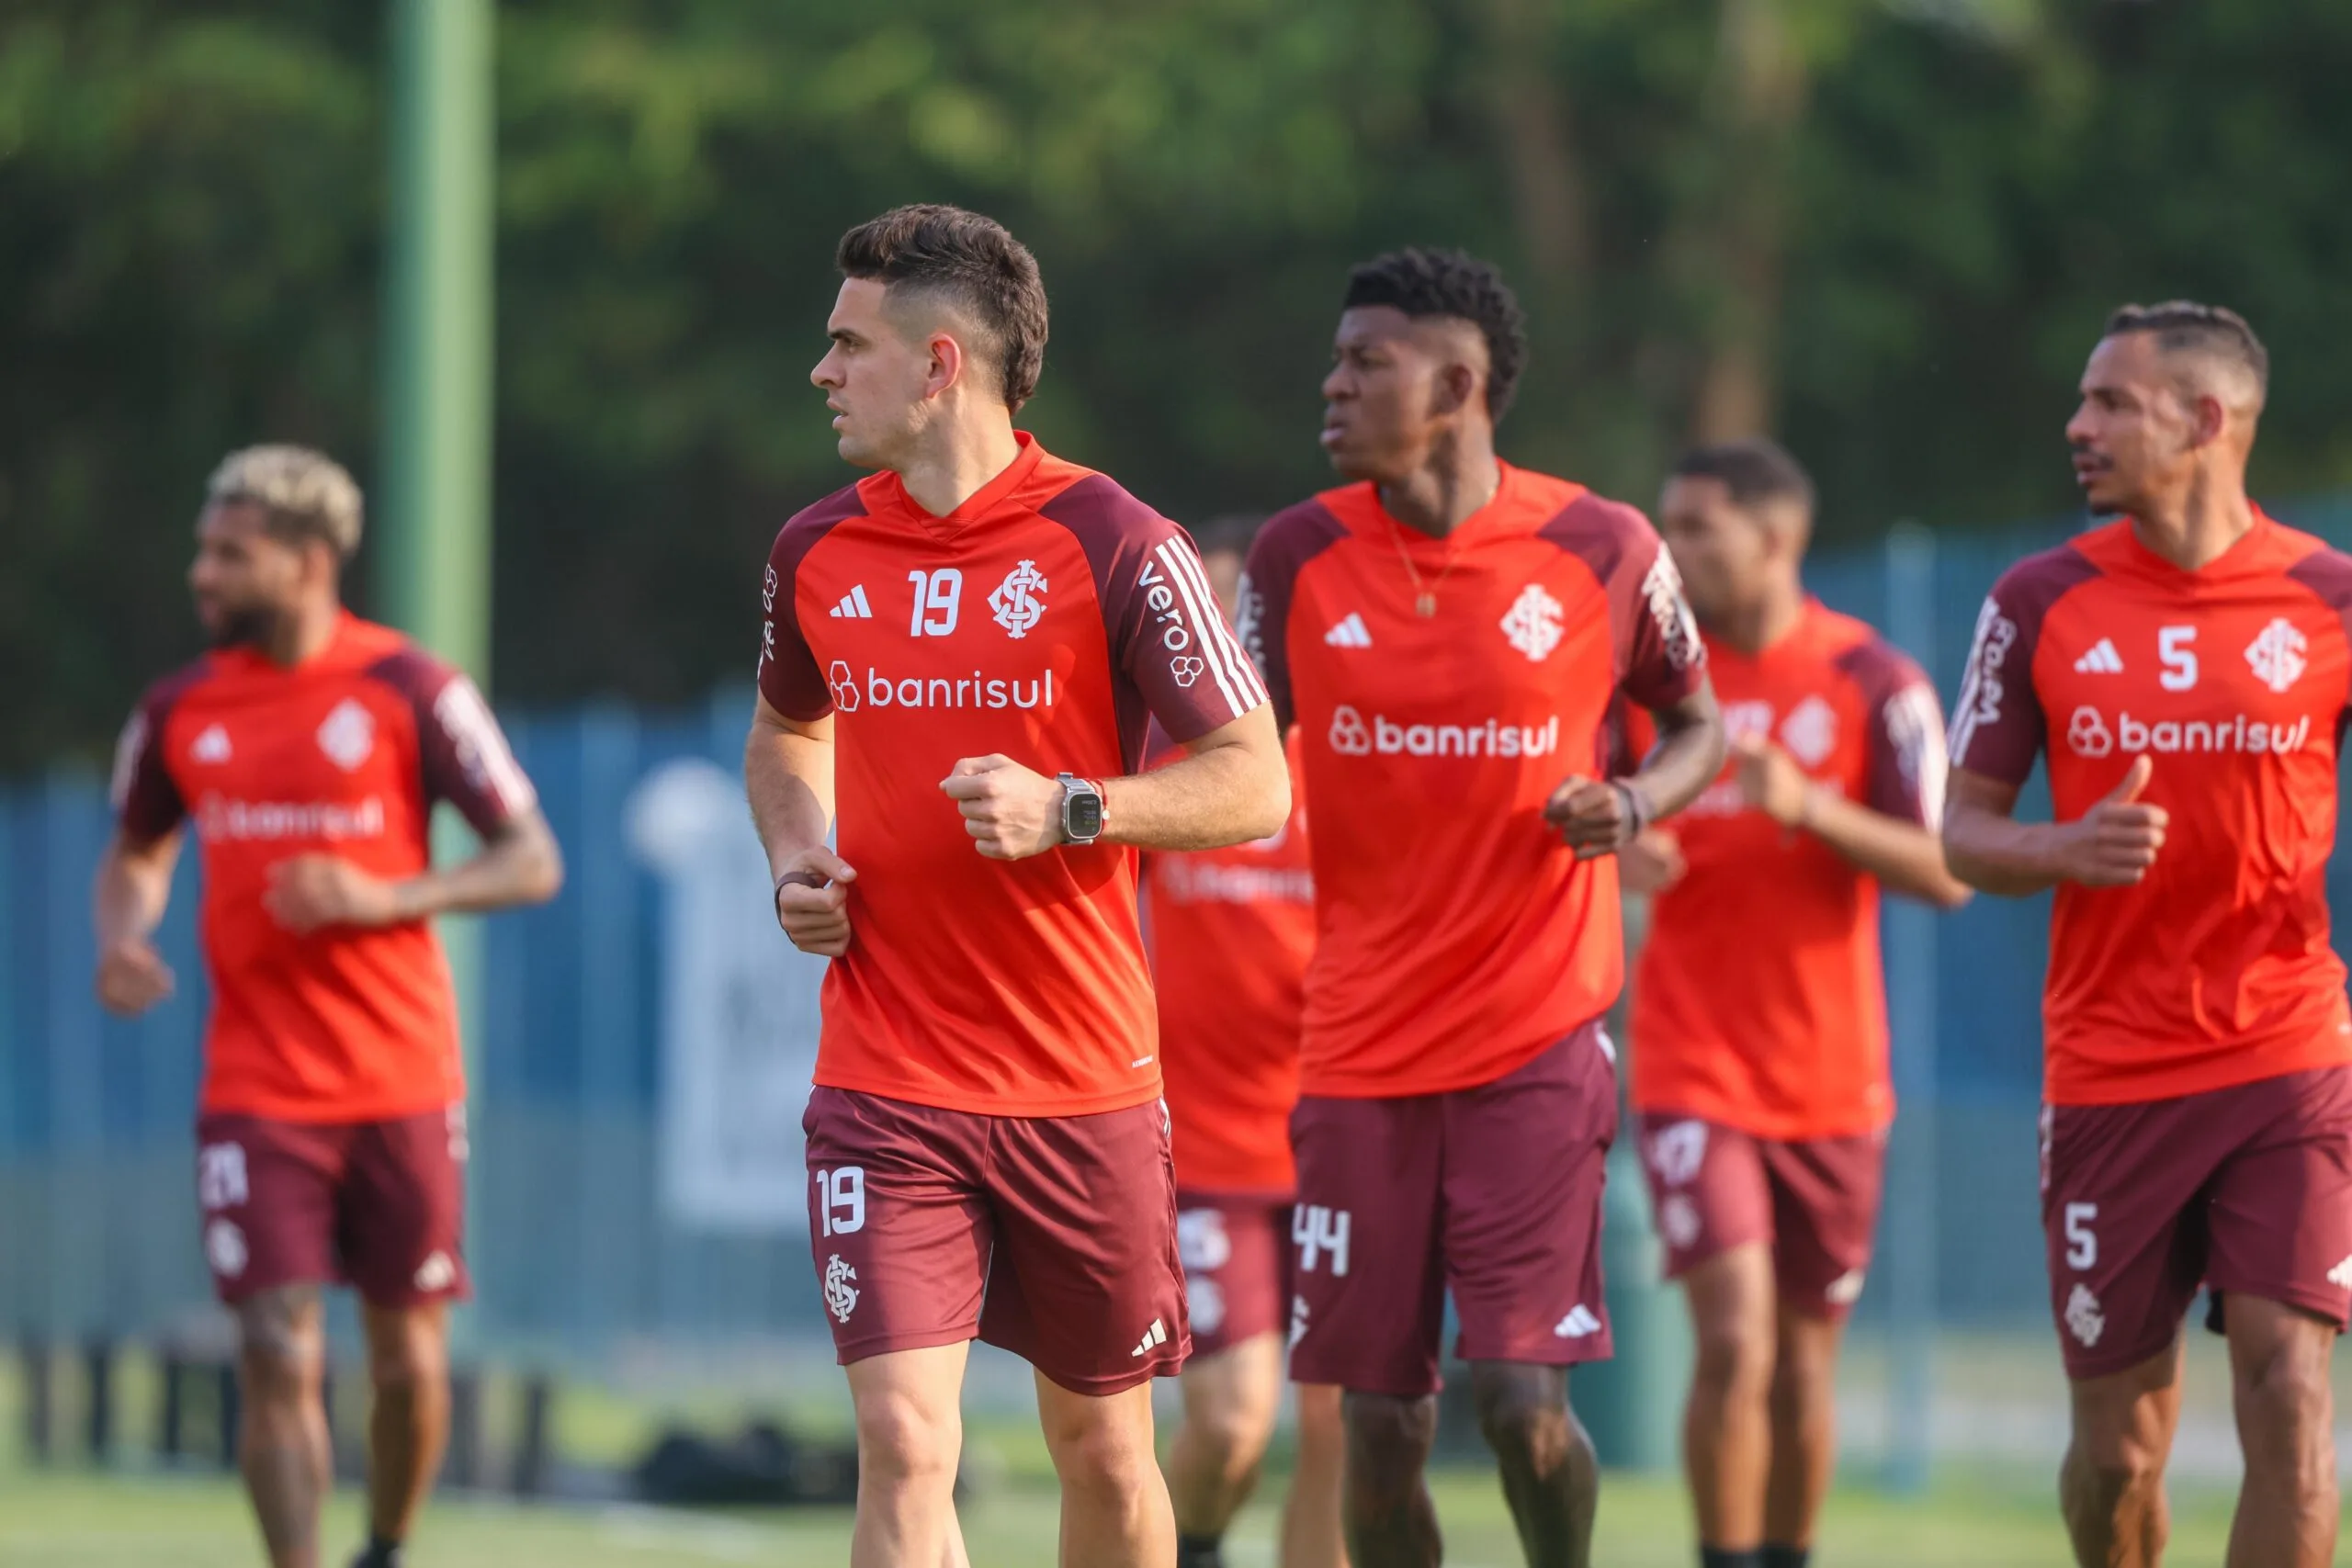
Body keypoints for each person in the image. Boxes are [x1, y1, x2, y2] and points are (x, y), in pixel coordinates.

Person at [747, 204, 1291, 1568]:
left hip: (1082, 1083)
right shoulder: (816, 549)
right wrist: (795, 852)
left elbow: (1254, 779)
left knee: (1106, 1451)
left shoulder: (1116, 539)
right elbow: (783, 732)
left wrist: (1075, 807)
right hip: (885, 1078)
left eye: (848, 345)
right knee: (909, 1444)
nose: (822, 372)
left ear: (941, 365)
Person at [1238, 247, 1725, 1568]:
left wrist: (1628, 807)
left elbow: (1697, 724)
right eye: (1337, 359)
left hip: (1535, 1051)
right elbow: (1222, 753)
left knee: (1522, 1408)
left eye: (1365, 363)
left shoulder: (1603, 545)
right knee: (1383, 1426)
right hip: (1354, 1061)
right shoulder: (1294, 555)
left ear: (1457, 384)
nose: (1331, 384)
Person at [94, 446, 563, 1568]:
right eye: (204, 550)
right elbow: (136, 851)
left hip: (401, 1081)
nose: (201, 574)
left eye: (230, 554)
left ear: (308, 563)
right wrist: (122, 934)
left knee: (405, 1364)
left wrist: (389, 895)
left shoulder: (411, 690)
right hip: (255, 1088)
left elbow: (531, 859)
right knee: (271, 1344)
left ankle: (387, 1545)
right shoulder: (178, 710)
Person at [1944, 302, 2352, 1568]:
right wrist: (2064, 849)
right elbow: (1962, 832)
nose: (2079, 424)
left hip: (2289, 1052)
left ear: (2208, 420)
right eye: (2083, 399)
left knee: (2290, 1393)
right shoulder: (2039, 599)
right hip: (2113, 1070)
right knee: (2119, 1455)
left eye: (2113, 402)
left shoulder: (2329, 597)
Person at [1618, 439, 1969, 1568]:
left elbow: (1949, 871)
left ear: (1775, 538)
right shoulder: (1651, 691)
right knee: (1732, 1337)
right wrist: (1614, 858)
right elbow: (1577, 821)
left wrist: (1812, 808)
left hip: (1831, 1081)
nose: (1672, 550)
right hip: (1690, 1069)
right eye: (1665, 525)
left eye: (1697, 528)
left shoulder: (1875, 681)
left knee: (1804, 1361)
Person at [1141, 513, 1347, 1568]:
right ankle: (1198, 1548)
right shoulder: (1160, 769)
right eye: (1212, 610)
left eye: (1248, 614)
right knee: (1228, 1424)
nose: (1230, 637)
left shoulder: (1347, 770)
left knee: (1338, 1425)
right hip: (1208, 1148)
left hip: (1338, 1142)